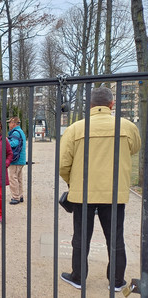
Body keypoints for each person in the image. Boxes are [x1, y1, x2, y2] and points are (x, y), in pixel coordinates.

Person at [59, 87, 141, 292]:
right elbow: (135, 149)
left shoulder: (75, 129)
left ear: (91, 106)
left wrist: (73, 183)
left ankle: (78, 277)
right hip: (114, 192)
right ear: (112, 105)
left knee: (81, 237)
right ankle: (116, 281)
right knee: (115, 237)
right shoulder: (128, 127)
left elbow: (63, 164)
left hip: (82, 193)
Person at [7, 117, 27, 205]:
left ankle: (15, 197)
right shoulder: (21, 131)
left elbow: (14, 143)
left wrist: (6, 142)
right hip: (21, 159)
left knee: (13, 178)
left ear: (14, 123)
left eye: (10, 123)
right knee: (19, 178)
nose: (9, 124)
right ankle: (20, 195)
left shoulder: (15, 132)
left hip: (15, 160)